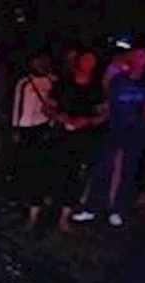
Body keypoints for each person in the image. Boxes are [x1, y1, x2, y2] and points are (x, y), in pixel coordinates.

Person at [73, 47, 145, 228]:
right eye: (135, 55)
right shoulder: (118, 80)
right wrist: (102, 111)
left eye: (142, 56)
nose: (138, 59)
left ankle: (117, 210)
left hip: (136, 132)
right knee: (102, 168)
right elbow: (109, 103)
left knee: (128, 172)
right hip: (114, 129)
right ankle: (91, 207)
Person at [52, 51, 107, 232]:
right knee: (56, 171)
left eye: (92, 60)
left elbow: (104, 113)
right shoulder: (64, 83)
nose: (87, 63)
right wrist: (59, 116)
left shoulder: (96, 87)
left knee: (75, 175)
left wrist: (88, 121)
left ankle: (65, 215)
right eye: (85, 59)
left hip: (83, 137)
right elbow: (48, 106)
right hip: (61, 134)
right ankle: (50, 207)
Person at [9, 51, 58, 230]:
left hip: (42, 127)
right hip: (25, 127)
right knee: (24, 166)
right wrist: (16, 127)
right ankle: (25, 201)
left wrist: (51, 125)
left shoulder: (53, 81)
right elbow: (17, 104)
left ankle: (36, 205)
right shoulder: (24, 82)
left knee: (39, 167)